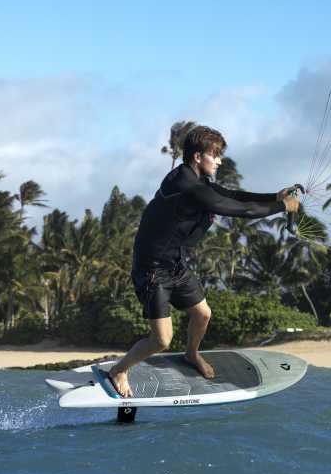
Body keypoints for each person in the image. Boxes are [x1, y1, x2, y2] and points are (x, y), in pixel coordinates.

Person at [107, 126, 302, 398]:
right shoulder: (185, 185)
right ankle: (119, 369)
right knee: (161, 339)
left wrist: (275, 197)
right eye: (215, 155)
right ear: (198, 157)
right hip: (152, 269)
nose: (219, 161)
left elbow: (234, 196)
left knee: (203, 314)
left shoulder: (197, 180)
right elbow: (238, 210)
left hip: (175, 263)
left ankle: (191, 354)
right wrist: (283, 208)